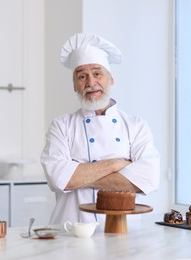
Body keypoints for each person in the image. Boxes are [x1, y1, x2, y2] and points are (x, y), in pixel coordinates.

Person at [40, 32, 160, 226]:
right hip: (72, 231)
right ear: (74, 85)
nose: (90, 83)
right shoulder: (61, 126)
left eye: (97, 73)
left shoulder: (136, 125)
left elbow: (148, 179)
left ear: (111, 79)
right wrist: (115, 165)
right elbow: (58, 179)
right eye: (82, 76)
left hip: (124, 231)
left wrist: (78, 173)